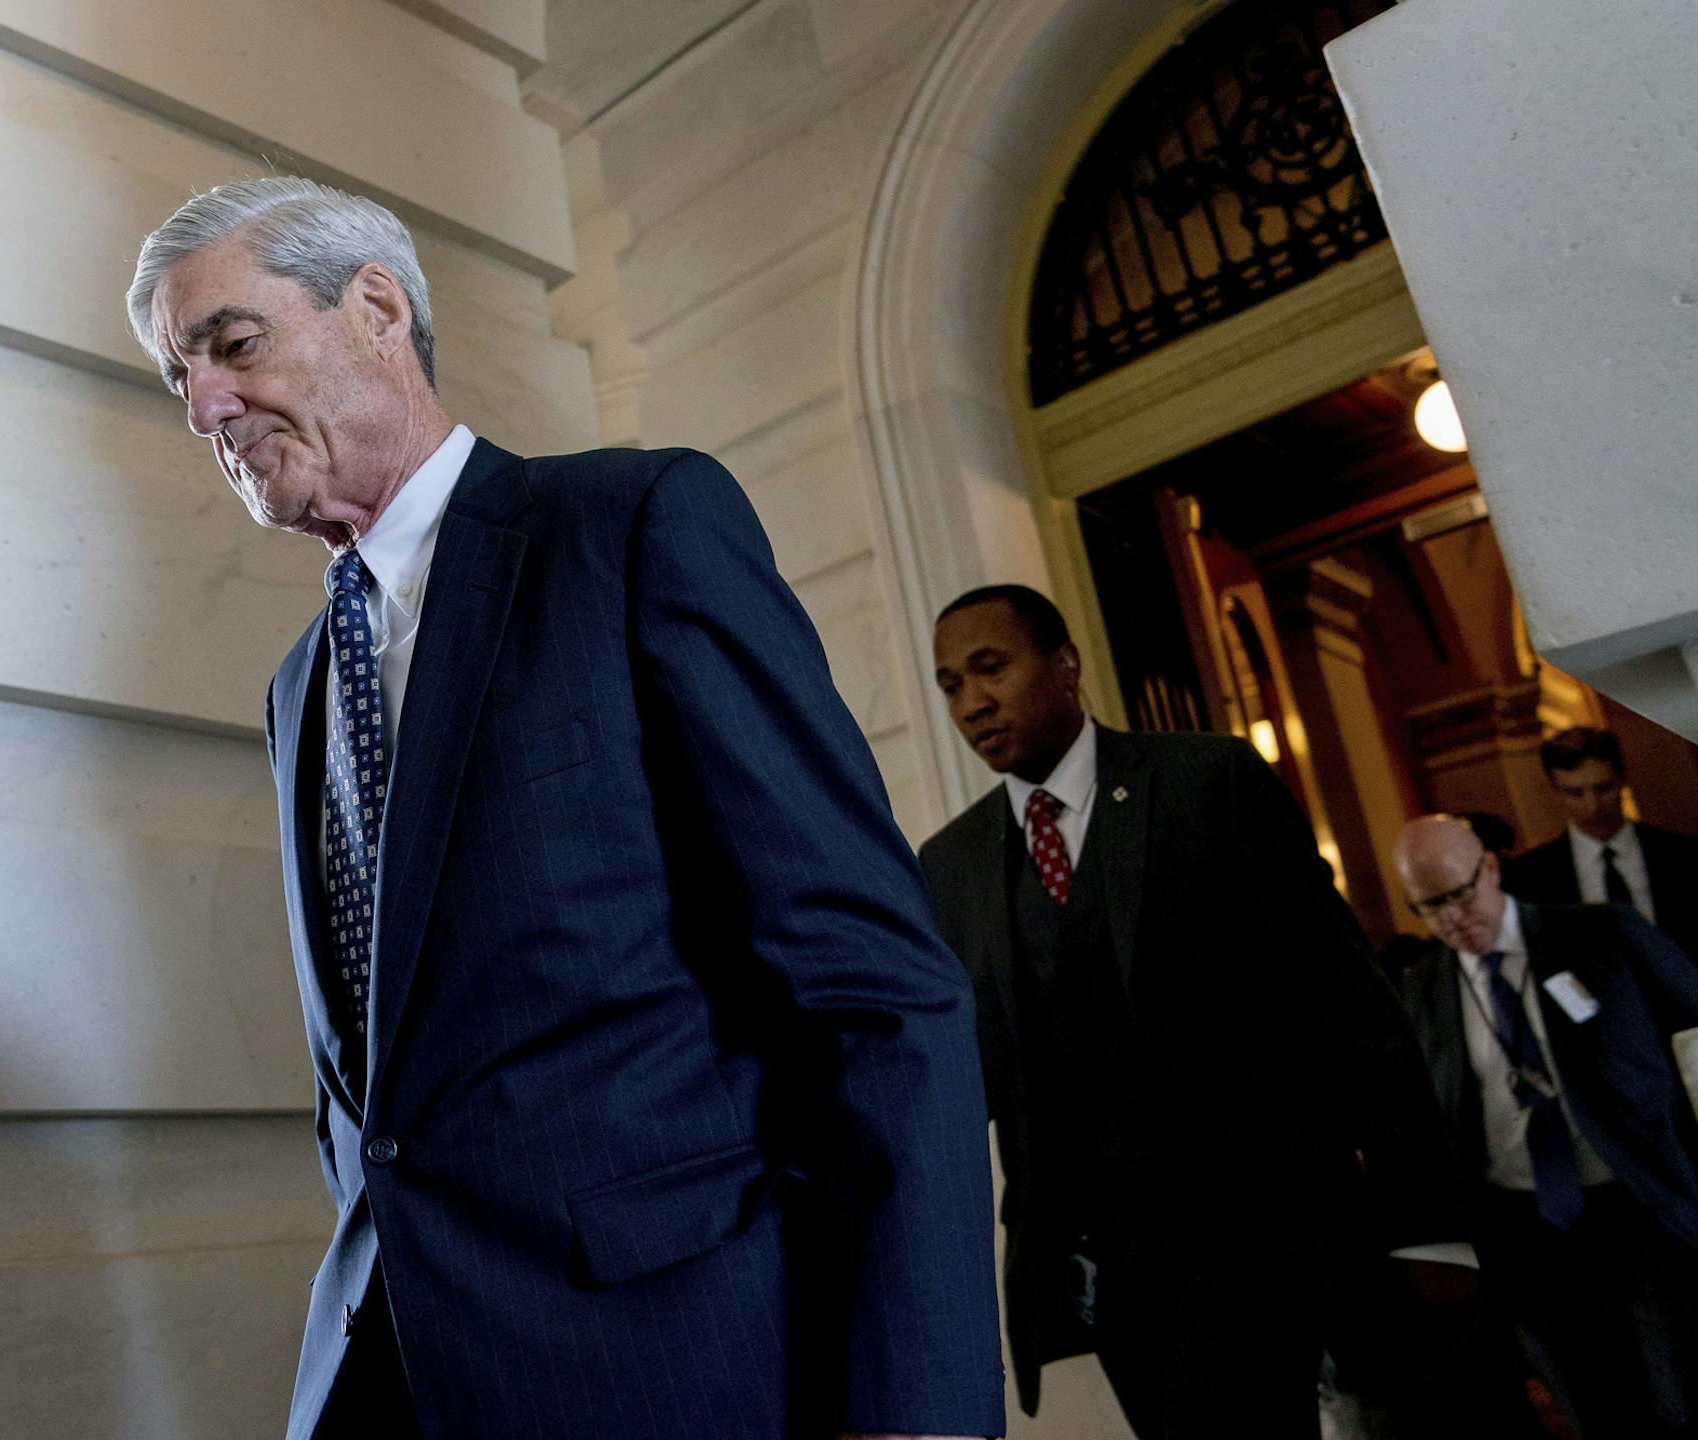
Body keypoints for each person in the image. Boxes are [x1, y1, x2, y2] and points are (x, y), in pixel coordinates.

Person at [125, 177, 1006, 1440]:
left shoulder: (632, 528)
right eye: (180, 376)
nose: (204, 406)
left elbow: (875, 989)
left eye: (232, 344)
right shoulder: (298, 687)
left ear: (377, 309)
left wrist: (916, 1404)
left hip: (675, 1370)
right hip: (397, 1376)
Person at [917, 584, 1467, 1439]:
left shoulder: (1208, 781)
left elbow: (1349, 1002)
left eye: (991, 668)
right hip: (1106, 1276)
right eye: (951, 684)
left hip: (1261, 1238)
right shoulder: (950, 864)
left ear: (1066, 663)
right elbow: (972, 1074)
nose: (971, 703)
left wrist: (1426, 1225)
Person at [1391, 814, 1698, 1439]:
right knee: (1596, 1413)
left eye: (1460, 895)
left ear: (1491, 868)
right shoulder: (1422, 992)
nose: (1453, 918)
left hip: (1636, 1207)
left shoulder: (1600, 933)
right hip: (1528, 1234)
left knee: (1680, 1398)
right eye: (1431, 907)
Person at [1504, 725, 1698, 958]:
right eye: (1575, 793)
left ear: (1622, 779)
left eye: (1603, 788)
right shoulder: (1531, 876)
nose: (1593, 806)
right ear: (1554, 788)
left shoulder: (1683, 854)